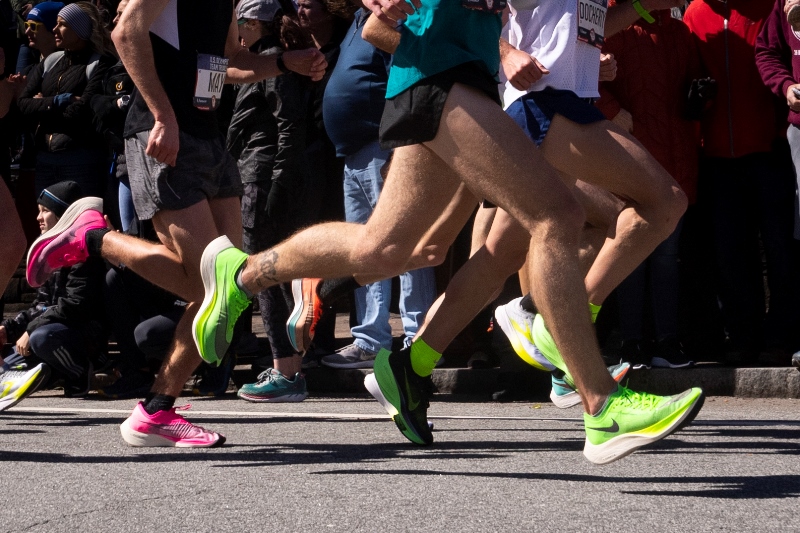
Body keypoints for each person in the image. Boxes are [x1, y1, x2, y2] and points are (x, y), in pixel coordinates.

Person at [188, 0, 702, 463]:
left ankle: (243, 273)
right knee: (556, 217)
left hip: (455, 78)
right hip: (442, 75)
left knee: (387, 249)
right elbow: (376, 25)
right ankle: (601, 405)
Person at [25, 0, 325, 447]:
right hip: (161, 135)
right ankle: (92, 236)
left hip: (209, 139)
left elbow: (233, 64)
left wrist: (285, 62)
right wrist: (163, 114)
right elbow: (127, 33)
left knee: (228, 290)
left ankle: (155, 411)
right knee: (216, 285)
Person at [317, 0, 436, 370]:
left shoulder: (394, 18)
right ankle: (371, 341)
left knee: (405, 241)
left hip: (383, 147)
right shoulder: (358, 20)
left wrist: (400, 148)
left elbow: (403, 79)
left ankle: (418, 338)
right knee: (366, 247)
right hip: (355, 153)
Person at [684, 0, 797, 366]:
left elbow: (776, 57)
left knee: (780, 249)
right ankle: (743, 336)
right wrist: (694, 96)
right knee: (731, 253)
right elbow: (685, 72)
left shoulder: (767, 7)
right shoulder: (694, 13)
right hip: (717, 154)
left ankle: (781, 335)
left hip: (771, 147)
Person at [227, 0, 313, 402]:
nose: (236, 33)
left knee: (265, 273)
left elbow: (287, 124)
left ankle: (287, 371)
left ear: (253, 23)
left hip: (262, 176)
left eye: (239, 23)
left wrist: (278, 182)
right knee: (270, 273)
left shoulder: (270, 62)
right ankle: (288, 366)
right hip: (255, 172)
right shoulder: (263, 62)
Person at [1, 181, 105, 397]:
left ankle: (79, 373)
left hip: (80, 335)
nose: (38, 217)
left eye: (46, 211)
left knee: (41, 338)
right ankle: (54, 373)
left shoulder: (83, 252)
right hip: (50, 328)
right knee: (7, 368)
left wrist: (30, 330)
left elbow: (75, 305)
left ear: (63, 215)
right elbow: (41, 305)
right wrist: (9, 329)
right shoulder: (50, 251)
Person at [17, 1, 117, 198]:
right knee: (48, 224)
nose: (55, 29)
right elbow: (22, 104)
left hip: (82, 162)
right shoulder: (51, 62)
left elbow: (82, 111)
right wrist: (61, 100)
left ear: (80, 30)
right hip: (45, 161)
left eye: (62, 24)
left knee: (81, 225)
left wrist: (42, 104)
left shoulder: (99, 63)